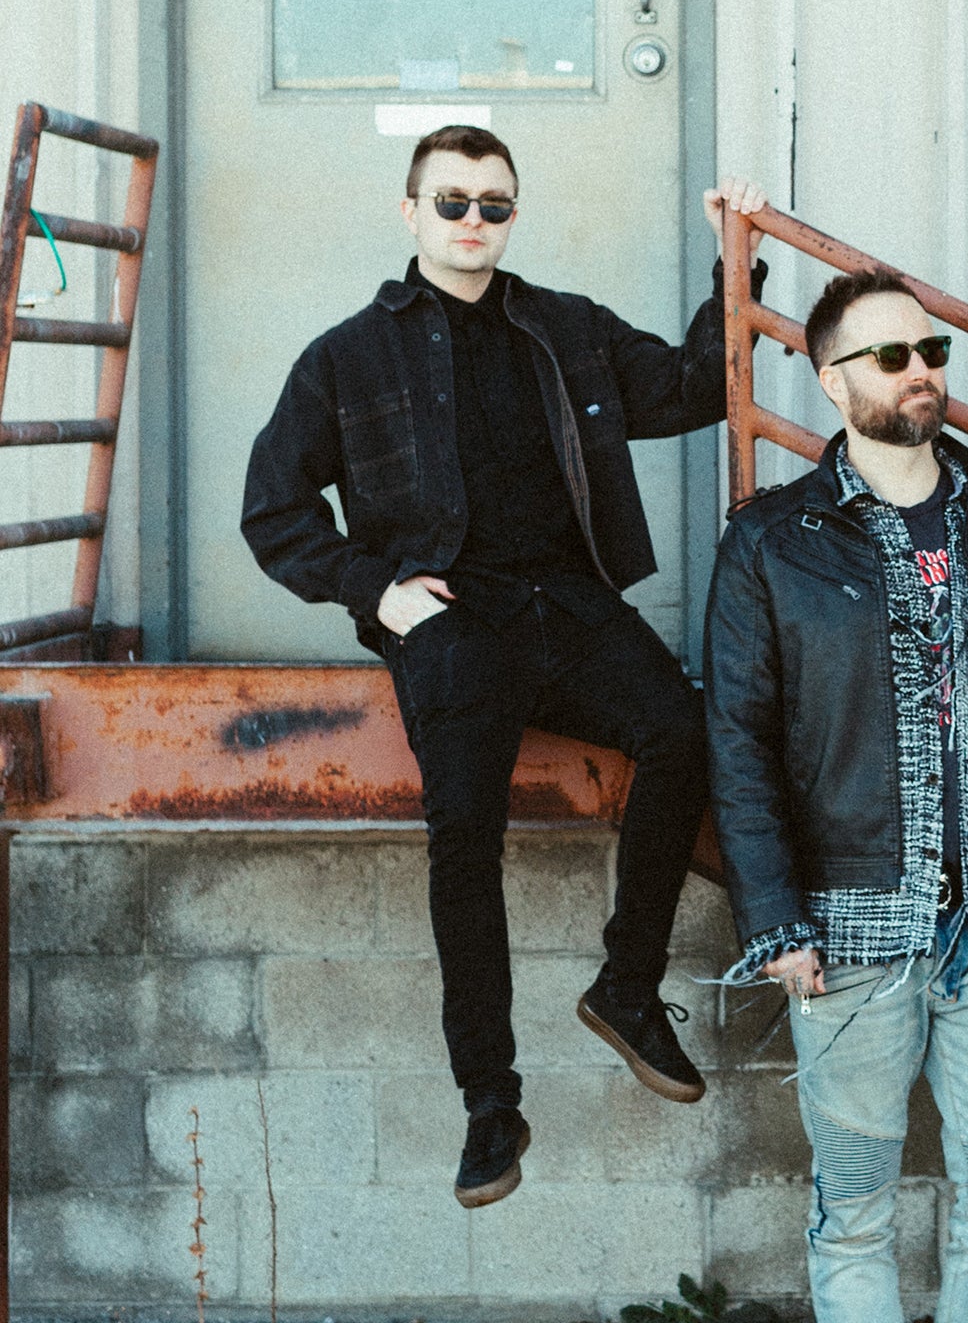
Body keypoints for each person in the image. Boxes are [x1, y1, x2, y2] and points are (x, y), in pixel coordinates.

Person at [242, 124, 766, 1208]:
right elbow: (273, 509)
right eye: (451, 202)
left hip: (568, 606)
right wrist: (374, 589)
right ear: (410, 212)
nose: (472, 221)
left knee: (683, 733)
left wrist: (735, 260)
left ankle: (627, 990)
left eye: (493, 204)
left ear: (513, 215)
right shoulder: (347, 356)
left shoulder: (565, 327)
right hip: (451, 623)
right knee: (464, 838)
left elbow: (690, 389)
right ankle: (490, 1102)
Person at [703, 271, 968, 1323]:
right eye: (890, 356)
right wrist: (771, 916)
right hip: (846, 934)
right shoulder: (773, 541)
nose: (920, 370)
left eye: (931, 350)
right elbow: (739, 742)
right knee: (852, 1210)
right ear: (831, 381)